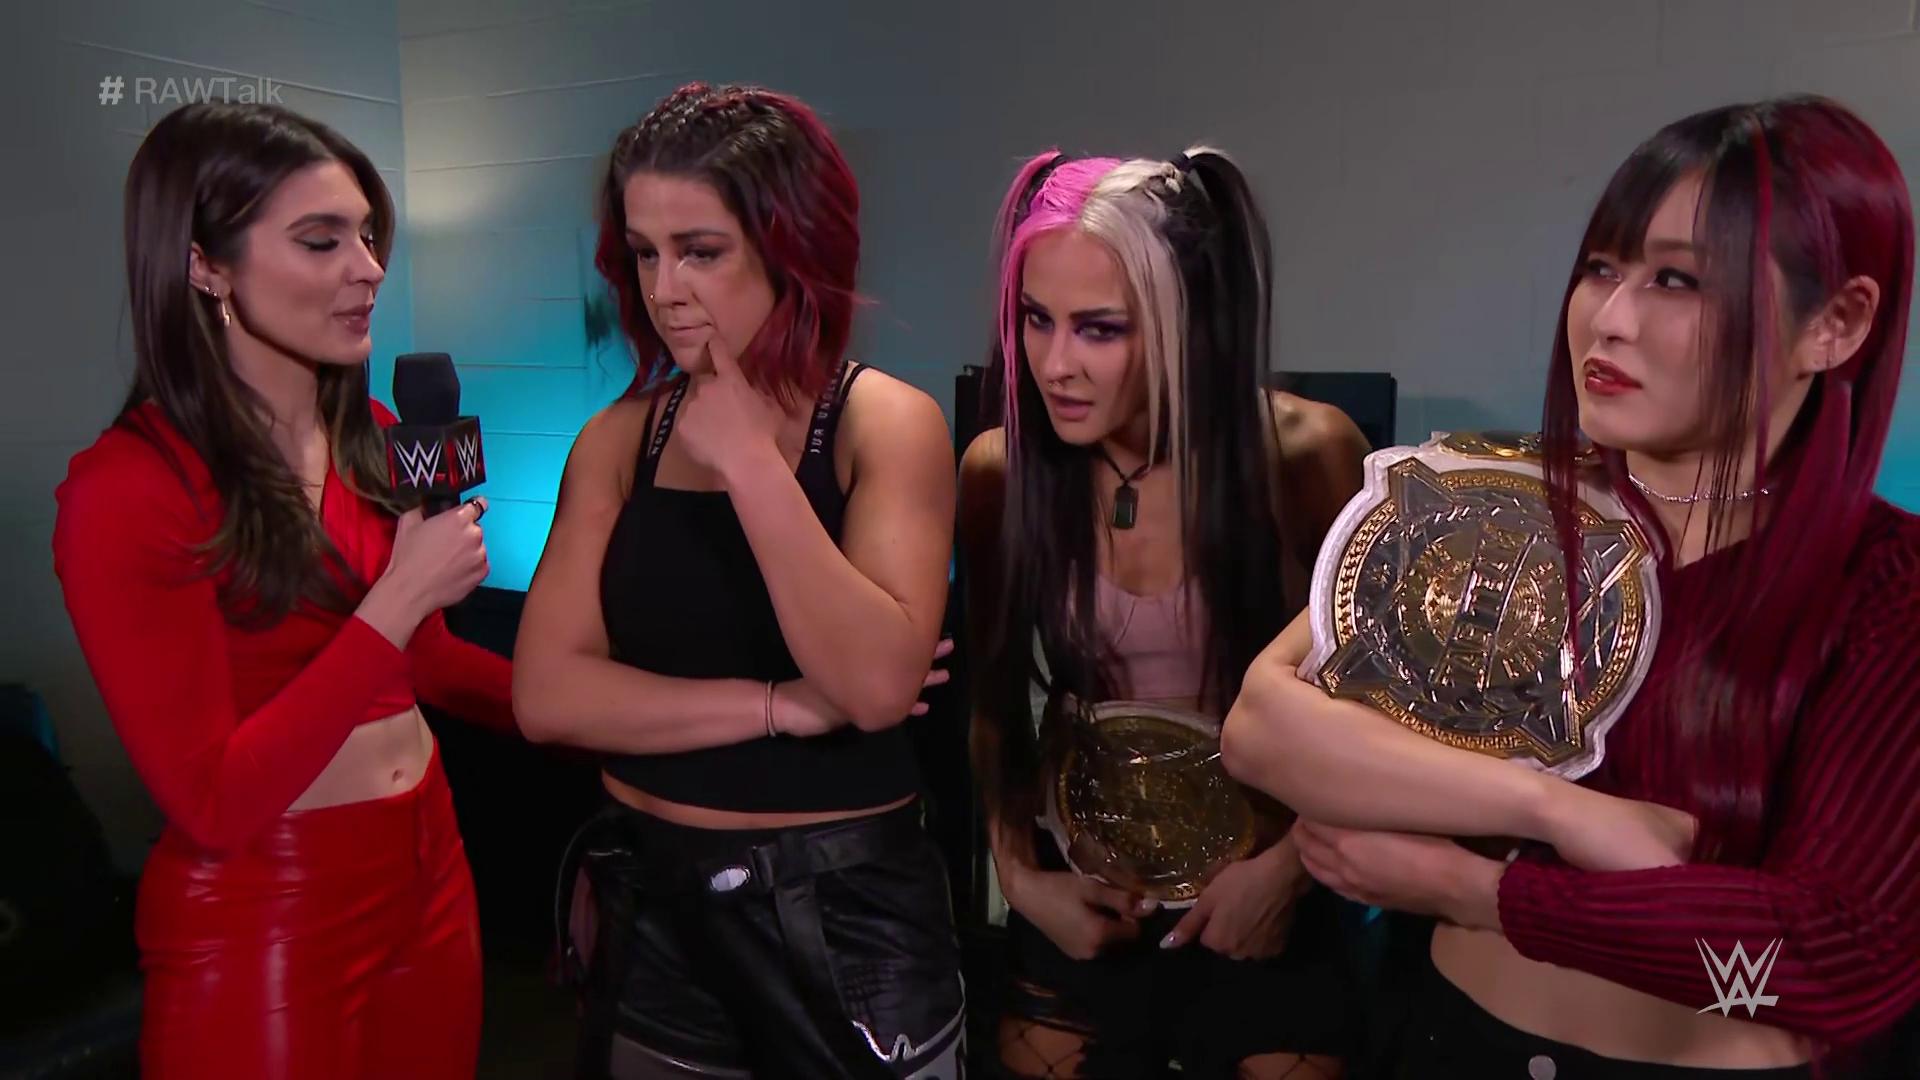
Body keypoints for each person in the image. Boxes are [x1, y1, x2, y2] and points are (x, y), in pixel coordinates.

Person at [1220, 94, 1920, 1077]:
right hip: (1445, 1044)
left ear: (1835, 324)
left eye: (1677, 279)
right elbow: (1262, 728)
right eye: (1601, 267)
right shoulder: (1495, 503)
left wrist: (1483, 893)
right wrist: (1559, 812)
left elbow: (1823, 965)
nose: (1609, 319)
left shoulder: (1889, 586)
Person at [50, 102, 517, 1080]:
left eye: (368, 235)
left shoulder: (375, 429)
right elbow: (213, 801)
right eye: (321, 240)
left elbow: (427, 667)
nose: (370, 268)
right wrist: (399, 596)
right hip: (267, 905)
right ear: (205, 265)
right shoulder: (126, 490)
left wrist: (603, 712)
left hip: (431, 864)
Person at [510, 82, 966, 1080]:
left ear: (790, 249)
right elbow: (547, 696)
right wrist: (776, 707)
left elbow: (874, 686)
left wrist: (753, 466)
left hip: (842, 910)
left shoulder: (884, 423)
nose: (664, 288)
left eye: (700, 251)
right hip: (651, 898)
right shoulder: (616, 440)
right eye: (644, 253)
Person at [958, 146, 1374, 1080]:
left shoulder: (1302, 454)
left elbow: (1388, 708)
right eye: (1035, 319)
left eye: (1099, 330)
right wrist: (1022, 879)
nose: (1054, 364)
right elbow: (992, 705)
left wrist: (1290, 873)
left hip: (1270, 888)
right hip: (1088, 893)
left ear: (1186, 323)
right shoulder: (1002, 471)